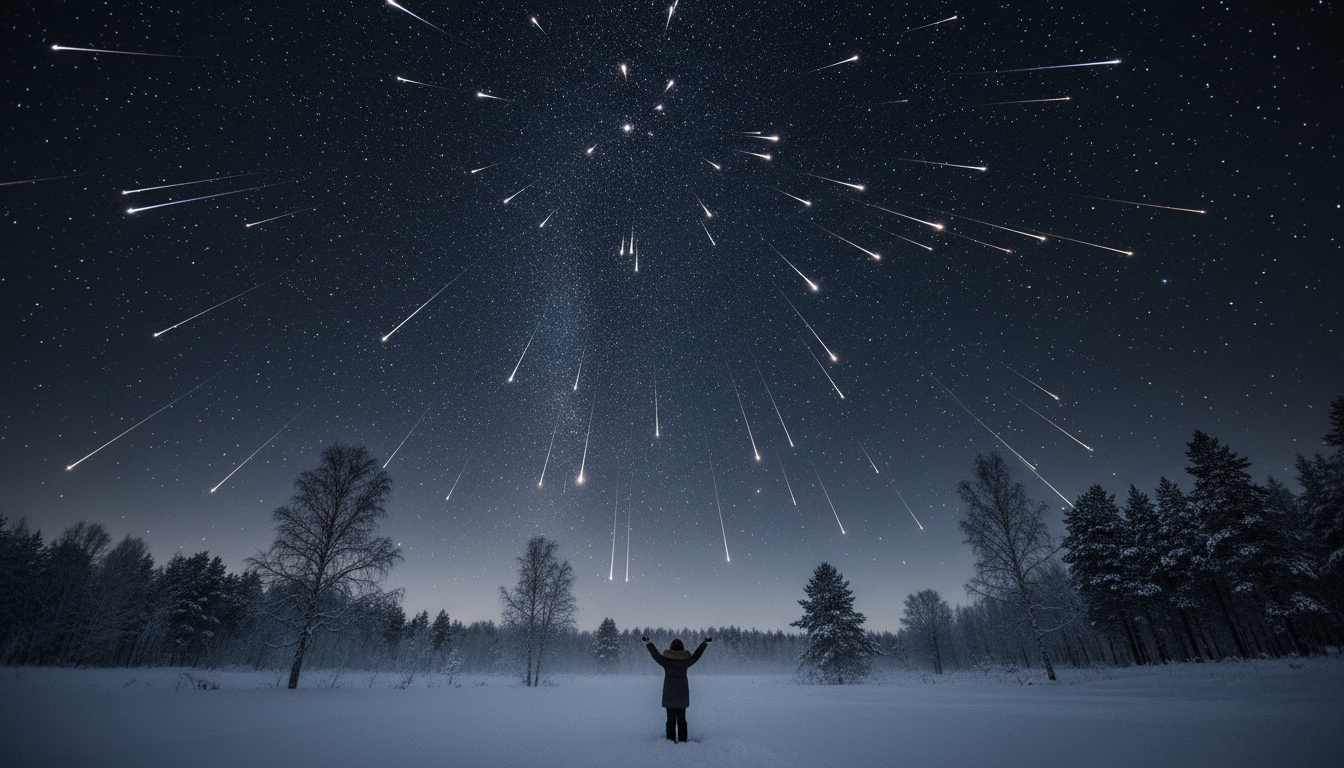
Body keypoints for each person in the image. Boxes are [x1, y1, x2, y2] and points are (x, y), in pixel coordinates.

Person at [642, 635, 711, 742]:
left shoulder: (666, 661)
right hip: (682, 694)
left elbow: (655, 655)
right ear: (682, 647)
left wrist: (648, 643)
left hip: (669, 693)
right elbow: (697, 655)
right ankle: (683, 740)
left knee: (670, 720)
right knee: (682, 720)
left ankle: (670, 740)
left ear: (671, 647)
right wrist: (704, 643)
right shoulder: (686, 661)